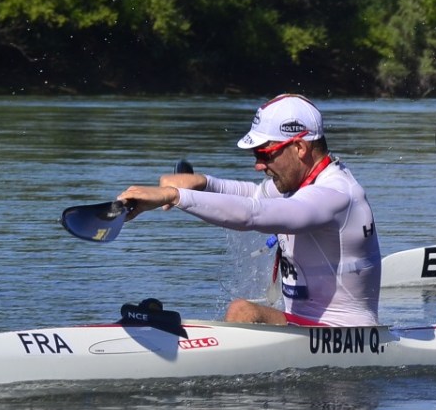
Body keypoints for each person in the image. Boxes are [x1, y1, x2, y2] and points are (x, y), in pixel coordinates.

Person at [117, 94, 381, 326]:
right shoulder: (302, 183)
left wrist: (174, 196)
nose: (258, 165)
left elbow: (253, 213)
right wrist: (205, 183)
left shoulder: (335, 195)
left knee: (242, 311)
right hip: (302, 328)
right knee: (242, 311)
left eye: (264, 154)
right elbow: (256, 195)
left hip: (345, 335)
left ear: (299, 147)